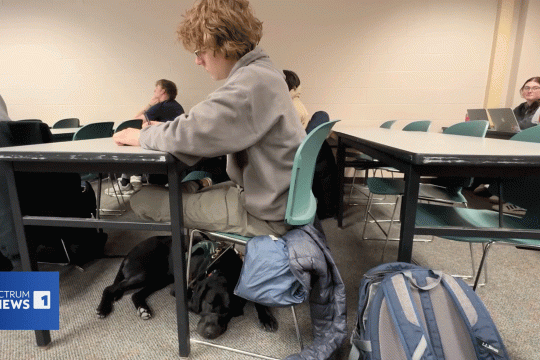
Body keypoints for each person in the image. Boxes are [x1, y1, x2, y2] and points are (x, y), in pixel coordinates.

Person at [113, 0, 305, 237]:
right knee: (185, 185)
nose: (198, 60)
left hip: (264, 214)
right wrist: (167, 129)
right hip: (271, 197)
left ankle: (197, 187)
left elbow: (190, 132)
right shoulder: (265, 73)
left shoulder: (251, 82)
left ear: (223, 44)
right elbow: (202, 124)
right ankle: (198, 185)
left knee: (143, 199)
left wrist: (142, 135)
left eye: (199, 51)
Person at [106, 79, 186, 196]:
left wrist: (149, 105)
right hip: (173, 151)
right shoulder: (177, 106)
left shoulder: (160, 106)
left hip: (161, 152)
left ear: (163, 91)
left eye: (156, 89)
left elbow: (134, 121)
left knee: (132, 144)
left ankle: (125, 183)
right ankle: (134, 178)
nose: (154, 91)